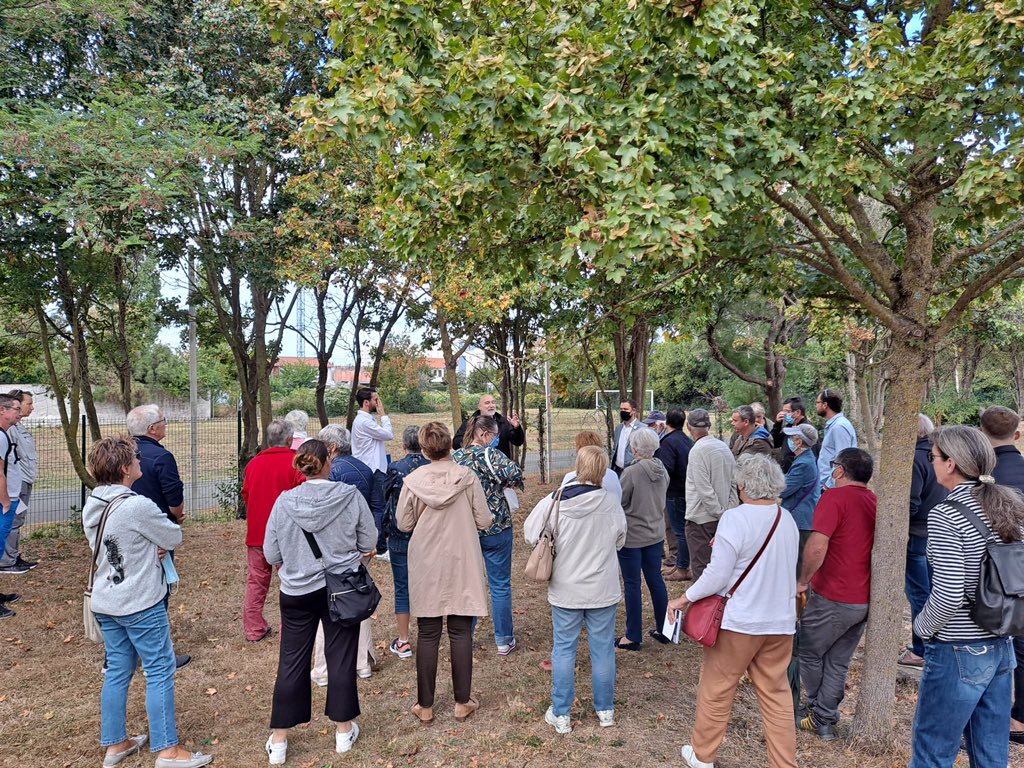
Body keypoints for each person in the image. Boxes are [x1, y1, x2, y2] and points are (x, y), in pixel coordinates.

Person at [83, 437, 213, 768]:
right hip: (139, 600)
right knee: (159, 669)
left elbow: (117, 547)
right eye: (135, 458)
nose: (141, 461)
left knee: (117, 669)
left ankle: (116, 744)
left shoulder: (93, 502)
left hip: (107, 600)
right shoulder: (136, 505)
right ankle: (168, 750)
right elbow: (172, 536)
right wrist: (156, 544)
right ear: (126, 468)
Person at [668, 454, 799, 768]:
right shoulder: (787, 519)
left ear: (742, 486)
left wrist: (683, 599)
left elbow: (717, 575)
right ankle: (784, 764)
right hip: (779, 623)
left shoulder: (735, 518)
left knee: (717, 689)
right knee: (777, 696)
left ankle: (702, 756)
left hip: (740, 622)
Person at [910, 425, 1024, 768]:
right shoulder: (1012, 506)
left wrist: (922, 627)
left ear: (951, 464)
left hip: (959, 646)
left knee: (934, 750)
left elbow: (948, 593)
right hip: (1002, 645)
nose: (931, 464)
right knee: (991, 752)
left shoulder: (946, 515)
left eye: (934, 458)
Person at [262, 439, 376, 765]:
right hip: (341, 588)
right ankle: (343, 731)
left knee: (292, 661)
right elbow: (368, 540)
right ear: (328, 462)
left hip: (297, 591)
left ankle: (279, 740)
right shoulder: (350, 496)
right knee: (340, 658)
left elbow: (271, 554)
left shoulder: (284, 503)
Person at [525, 446, 627, 735]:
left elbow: (530, 533)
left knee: (565, 649)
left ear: (578, 466)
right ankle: (605, 710)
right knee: (603, 649)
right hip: (602, 588)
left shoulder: (555, 501)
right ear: (603, 471)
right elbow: (621, 539)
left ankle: (561, 713)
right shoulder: (611, 503)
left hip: (566, 588)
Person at [397, 422, 491, 726]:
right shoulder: (467, 477)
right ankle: (462, 701)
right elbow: (485, 519)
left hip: (426, 560)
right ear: (450, 445)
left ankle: (425, 705)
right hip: (461, 557)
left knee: (427, 632)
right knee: (461, 631)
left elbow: (403, 523)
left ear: (424, 449)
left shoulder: (413, 480)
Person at [797, 447, 876, 741]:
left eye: (833, 465)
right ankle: (824, 717)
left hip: (833, 594)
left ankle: (820, 713)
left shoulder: (834, 498)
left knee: (808, 650)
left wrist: (803, 580)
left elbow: (817, 545)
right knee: (837, 661)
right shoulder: (874, 501)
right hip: (862, 598)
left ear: (840, 470)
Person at [314, 424, 383, 682]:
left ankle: (323, 667)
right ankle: (363, 662)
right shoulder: (365, 468)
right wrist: (373, 540)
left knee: (328, 605)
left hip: (332, 548)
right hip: (360, 545)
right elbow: (378, 506)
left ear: (331, 448)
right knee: (359, 601)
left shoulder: (328, 474)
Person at [453, 414, 525, 655]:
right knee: (500, 585)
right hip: (497, 526)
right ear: (484, 435)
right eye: (494, 435)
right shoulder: (492, 456)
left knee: (469, 585)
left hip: (466, 528)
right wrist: (504, 485)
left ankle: (466, 637)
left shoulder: (457, 458)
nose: (496, 439)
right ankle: (504, 639)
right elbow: (515, 474)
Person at [126, 404, 190, 670]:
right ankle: (159, 653)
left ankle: (126, 652)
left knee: (129, 585)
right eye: (164, 421)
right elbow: (173, 494)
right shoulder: (161, 458)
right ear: (153, 428)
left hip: (122, 530)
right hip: (155, 531)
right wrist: (177, 515)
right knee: (158, 590)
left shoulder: (121, 452)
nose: (166, 425)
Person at [978, 406, 1024, 746]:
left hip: (992, 570)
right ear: (1017, 435)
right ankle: (1019, 714)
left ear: (981, 433)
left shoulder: (984, 478)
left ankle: (993, 720)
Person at [240, 419, 304, 642]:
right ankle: (291, 627)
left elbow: (246, 495)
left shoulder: (254, 464)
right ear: (289, 440)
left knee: (256, 581)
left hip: (258, 534)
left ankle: (253, 628)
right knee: (292, 582)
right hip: (287, 535)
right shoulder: (296, 462)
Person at [899, 414, 947, 670]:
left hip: (917, 534)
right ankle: (931, 643)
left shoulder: (918, 458)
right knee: (931, 592)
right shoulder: (938, 456)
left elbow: (911, 502)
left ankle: (921, 649)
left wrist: (900, 528)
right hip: (932, 532)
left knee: (919, 594)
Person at [615, 428, 669, 650]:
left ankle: (633, 635)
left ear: (634, 449)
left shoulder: (631, 473)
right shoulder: (662, 469)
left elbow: (620, 500)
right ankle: (665, 628)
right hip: (655, 533)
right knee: (656, 580)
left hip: (634, 536)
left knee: (632, 584)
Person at [381, 426, 429, 660]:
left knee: (403, 588)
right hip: (428, 535)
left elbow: (386, 497)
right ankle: (429, 636)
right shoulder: (431, 468)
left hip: (401, 534)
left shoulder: (396, 468)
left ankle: (403, 641)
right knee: (428, 585)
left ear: (403, 445)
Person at [684, 408, 738, 580]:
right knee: (722, 571)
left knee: (703, 573)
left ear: (688, 427)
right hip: (723, 517)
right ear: (709, 426)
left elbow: (704, 489)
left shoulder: (697, 451)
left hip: (702, 521)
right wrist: (729, 512)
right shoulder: (723, 447)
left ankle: (703, 607)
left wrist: (719, 513)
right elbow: (734, 482)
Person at [351, 387, 393, 559]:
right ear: (366, 403)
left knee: (371, 507)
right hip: (373, 469)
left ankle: (371, 543)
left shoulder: (364, 420)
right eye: (376, 399)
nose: (379, 402)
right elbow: (388, 434)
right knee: (378, 508)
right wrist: (384, 415)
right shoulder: (364, 422)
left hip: (370, 467)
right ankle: (380, 547)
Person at [0, 390, 37, 574]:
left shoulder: (18, 428)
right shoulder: (8, 431)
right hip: (15, 484)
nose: (31, 407)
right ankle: (7, 561)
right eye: (28, 403)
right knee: (12, 522)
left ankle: (12, 555)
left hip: (23, 482)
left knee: (17, 521)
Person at [656, 409, 694, 582]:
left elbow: (666, 469)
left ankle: (682, 567)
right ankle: (681, 564)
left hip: (674, 492)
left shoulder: (668, 443)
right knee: (683, 530)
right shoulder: (687, 440)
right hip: (686, 490)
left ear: (667, 421)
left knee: (679, 531)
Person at [779, 422, 820, 570]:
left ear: (798, 441)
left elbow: (783, 490)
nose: (789, 440)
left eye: (792, 437)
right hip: (804, 517)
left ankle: (799, 593)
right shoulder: (807, 459)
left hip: (800, 521)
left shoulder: (803, 463)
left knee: (798, 565)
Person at [0, 395, 22, 616]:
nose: (20, 413)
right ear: (2, 410)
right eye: (16, 409)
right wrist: (6, 501)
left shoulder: (5, 435)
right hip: (3, 502)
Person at [453, 394, 526, 458]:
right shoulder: (470, 422)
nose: (491, 406)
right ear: (479, 407)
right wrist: (477, 442)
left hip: (499, 465)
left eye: (493, 403)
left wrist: (516, 428)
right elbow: (456, 443)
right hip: (477, 463)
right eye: (487, 403)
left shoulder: (502, 422)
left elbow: (518, 442)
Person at [560, 430, 623, 502]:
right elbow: (618, 499)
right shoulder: (612, 475)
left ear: (579, 451)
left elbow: (562, 502)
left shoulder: (570, 477)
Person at [814, 389, 857, 490]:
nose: (816, 405)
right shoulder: (833, 425)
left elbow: (844, 460)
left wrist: (829, 485)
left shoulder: (839, 427)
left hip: (832, 488)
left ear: (825, 405)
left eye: (817, 402)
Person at [772, 397, 812, 472]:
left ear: (797, 412)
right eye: (783, 411)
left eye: (787, 411)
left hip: (799, 472)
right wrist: (777, 424)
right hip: (786, 472)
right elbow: (774, 443)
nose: (784, 414)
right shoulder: (789, 427)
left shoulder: (807, 431)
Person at [611, 398, 648, 474]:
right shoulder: (619, 428)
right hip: (617, 470)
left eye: (626, 409)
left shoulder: (643, 429)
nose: (623, 411)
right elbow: (615, 448)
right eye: (621, 409)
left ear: (633, 410)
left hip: (633, 471)